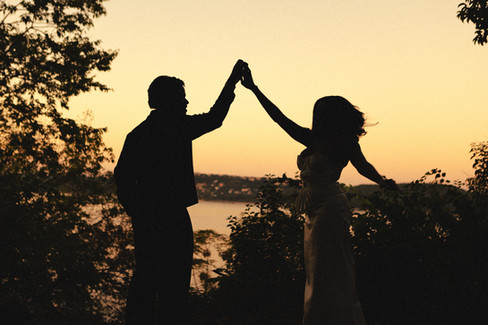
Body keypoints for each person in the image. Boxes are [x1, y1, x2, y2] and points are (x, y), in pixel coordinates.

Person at [241, 64, 398, 325]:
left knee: (332, 268)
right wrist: (254, 89)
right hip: (314, 210)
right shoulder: (311, 139)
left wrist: (382, 180)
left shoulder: (345, 142)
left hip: (331, 208)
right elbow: (278, 118)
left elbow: (363, 167)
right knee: (317, 270)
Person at [114, 60, 246, 324]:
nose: (186, 103)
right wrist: (141, 214)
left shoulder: (170, 129)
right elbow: (123, 180)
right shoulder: (148, 134)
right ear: (166, 101)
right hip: (158, 220)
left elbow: (215, 118)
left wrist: (232, 82)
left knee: (164, 283)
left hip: (167, 218)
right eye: (182, 99)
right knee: (153, 283)